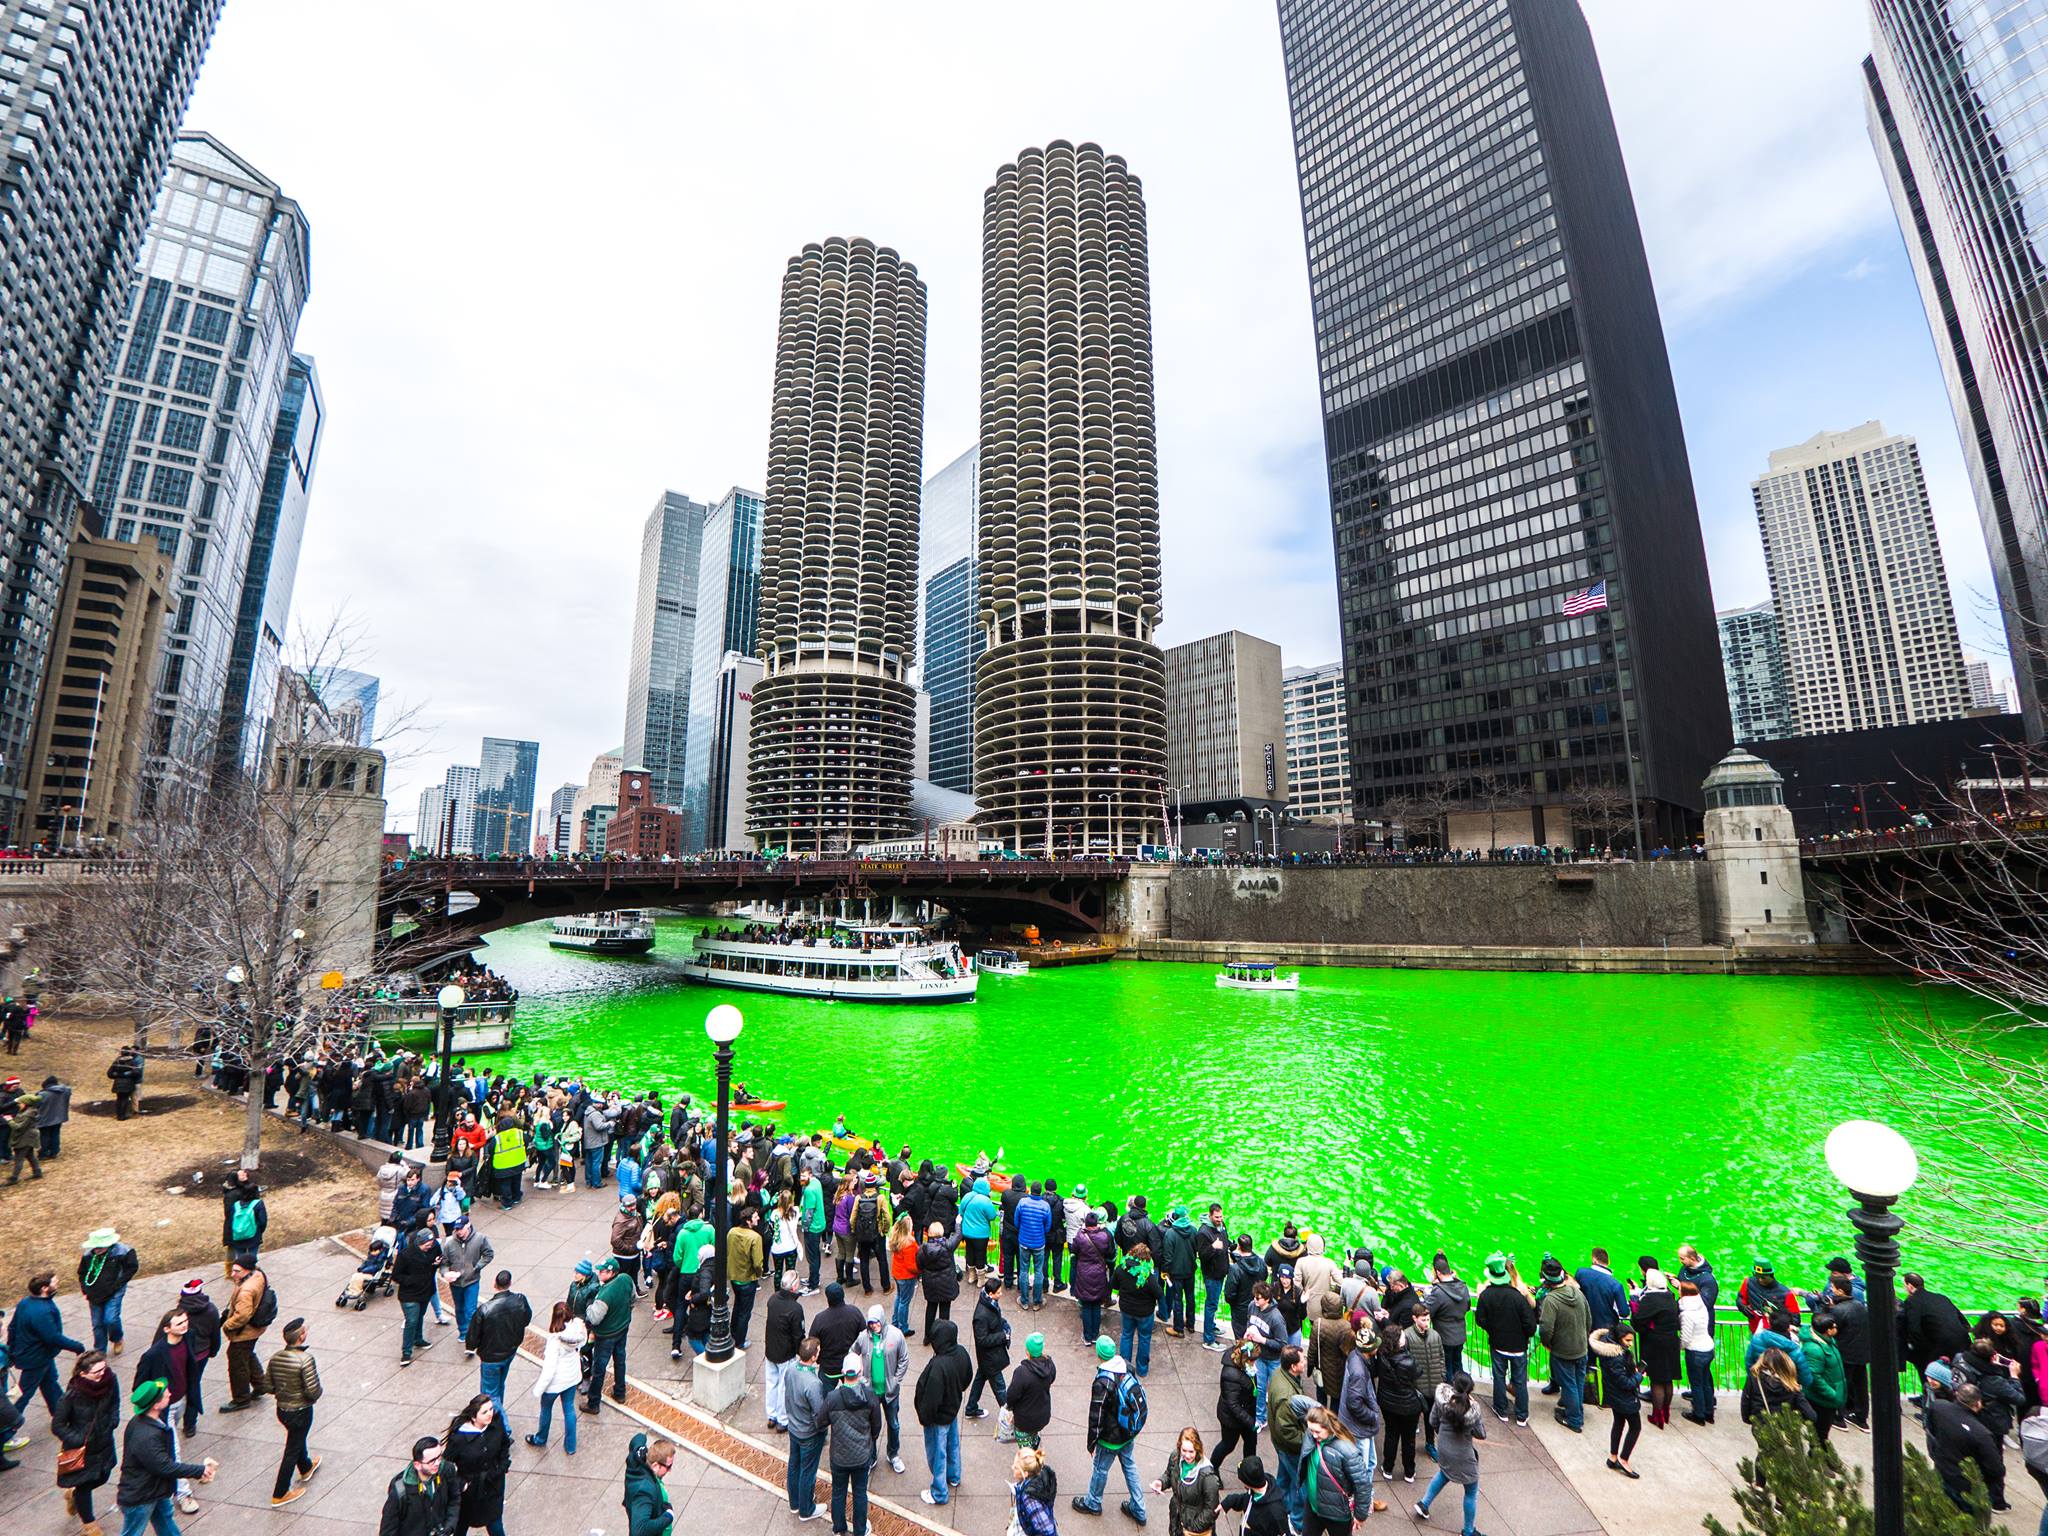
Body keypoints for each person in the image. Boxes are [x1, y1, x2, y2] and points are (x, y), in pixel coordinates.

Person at [118, 1378, 216, 1536]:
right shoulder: (146, 1436)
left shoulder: (144, 1422)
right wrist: (199, 1470)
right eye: (165, 1395)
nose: (170, 1394)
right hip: (142, 1496)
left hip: (155, 1490)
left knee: (167, 1525)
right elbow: (164, 1466)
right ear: (155, 1405)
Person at [1073, 1340, 1147, 1523]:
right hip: (1127, 1433)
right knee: (1130, 1467)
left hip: (1110, 1438)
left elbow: (1096, 1415)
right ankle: (1139, 1508)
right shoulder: (1127, 1367)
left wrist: (1091, 1442)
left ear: (1099, 1355)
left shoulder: (1103, 1381)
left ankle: (1093, 1502)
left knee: (1100, 1469)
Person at [54, 1350, 120, 1533]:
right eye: (97, 1372)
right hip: (82, 1449)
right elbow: (58, 1426)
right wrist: (79, 1439)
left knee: (104, 1475)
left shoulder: (110, 1380)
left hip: (104, 1441)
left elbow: (115, 1402)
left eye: (104, 1369)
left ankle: (73, 1495)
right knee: (84, 1486)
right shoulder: (72, 1395)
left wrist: (113, 1421)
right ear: (82, 1374)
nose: (102, 1374)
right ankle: (89, 1524)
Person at [1413, 1374, 1484, 1536]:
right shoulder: (1472, 1411)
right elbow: (1481, 1434)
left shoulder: (1442, 1401)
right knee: (1471, 1490)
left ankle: (1424, 1503)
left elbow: (1432, 1421)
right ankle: (1468, 1531)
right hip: (1464, 1455)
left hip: (1443, 1448)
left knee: (1444, 1473)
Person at [262, 1318, 322, 1507]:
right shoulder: (305, 1359)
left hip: (283, 1409)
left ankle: (305, 1467)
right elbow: (313, 1390)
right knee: (292, 1448)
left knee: (296, 1438)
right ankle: (280, 1493)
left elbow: (268, 1386)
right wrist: (314, 1396)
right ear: (301, 1336)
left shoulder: (276, 1357)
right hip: (301, 1410)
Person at [914, 1316, 973, 1505]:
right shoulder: (962, 1352)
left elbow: (930, 1399)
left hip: (937, 1418)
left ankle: (939, 1492)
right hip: (952, 1410)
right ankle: (954, 1476)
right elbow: (967, 1377)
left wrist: (925, 1418)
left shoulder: (939, 1366)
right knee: (953, 1445)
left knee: (938, 1454)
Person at [1925, 1383, 2009, 1515]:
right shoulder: (1981, 1434)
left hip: (1940, 1473)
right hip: (1966, 1490)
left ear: (1956, 1395)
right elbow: (1996, 1469)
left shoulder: (1938, 1407)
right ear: (1978, 1403)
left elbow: (1930, 1429)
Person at [12, 1270, 85, 1419]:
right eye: (54, 1282)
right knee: (24, 1393)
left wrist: (12, 1349)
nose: (57, 1284)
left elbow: (12, 1327)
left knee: (50, 1383)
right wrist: (77, 1347)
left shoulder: (25, 1302)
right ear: (44, 1288)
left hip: (38, 1355)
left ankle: (62, 1415)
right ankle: (7, 1427)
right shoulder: (42, 1311)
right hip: (36, 1358)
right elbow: (52, 1337)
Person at [1472, 1254, 1535, 1426]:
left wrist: (1493, 1329)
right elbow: (1530, 1324)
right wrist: (1523, 1336)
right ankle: (1522, 1415)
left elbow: (1480, 1320)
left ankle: (1501, 1410)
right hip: (1519, 1346)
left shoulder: (1486, 1296)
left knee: (1499, 1377)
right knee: (1520, 1381)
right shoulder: (1517, 1297)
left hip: (1498, 1344)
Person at [1738, 1348, 1815, 1485]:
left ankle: (1760, 1488)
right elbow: (1811, 1416)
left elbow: (1745, 1402)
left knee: (1763, 1454)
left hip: (1760, 1425)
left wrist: (1749, 1420)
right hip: (1785, 1429)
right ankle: (1781, 1500)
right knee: (1785, 1462)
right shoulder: (1792, 1386)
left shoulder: (1754, 1379)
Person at [849, 1304, 910, 1474]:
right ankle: (872, 1457)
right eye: (871, 1323)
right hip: (870, 1393)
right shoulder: (863, 1338)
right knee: (870, 1426)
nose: (874, 1326)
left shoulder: (896, 1336)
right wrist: (861, 1379)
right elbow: (852, 1353)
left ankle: (893, 1454)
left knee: (894, 1425)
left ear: (882, 1320)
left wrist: (896, 1380)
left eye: (876, 1322)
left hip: (890, 1392)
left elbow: (904, 1359)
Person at [466, 1270, 530, 1428]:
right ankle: (495, 1415)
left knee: (490, 1393)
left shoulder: (485, 1309)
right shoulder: (520, 1300)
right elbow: (526, 1319)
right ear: (510, 1283)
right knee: (499, 1385)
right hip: (510, 1350)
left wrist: (471, 1347)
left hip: (491, 1356)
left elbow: (473, 1335)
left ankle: (504, 1428)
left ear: (495, 1284)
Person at [824, 1366, 883, 1536]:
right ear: (859, 1373)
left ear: (843, 1373)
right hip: (861, 1456)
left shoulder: (832, 1398)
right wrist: (870, 1440)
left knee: (838, 1492)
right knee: (859, 1493)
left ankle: (839, 1528)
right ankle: (859, 1530)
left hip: (839, 1456)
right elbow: (876, 1426)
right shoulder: (870, 1396)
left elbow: (821, 1420)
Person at [444, 1393, 511, 1536]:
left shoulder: (496, 1425)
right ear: (474, 1417)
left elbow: (504, 1444)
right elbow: (446, 1465)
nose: (490, 1414)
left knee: (495, 1525)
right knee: (461, 1525)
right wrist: (461, 1483)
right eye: (484, 1412)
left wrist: (502, 1466)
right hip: (469, 1492)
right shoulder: (459, 1438)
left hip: (493, 1485)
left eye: (491, 1409)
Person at [1536, 1256, 1589, 1434]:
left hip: (1563, 1351)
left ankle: (1574, 1419)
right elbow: (1589, 1320)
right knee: (1578, 1382)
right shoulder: (1578, 1293)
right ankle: (1576, 1411)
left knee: (1569, 1385)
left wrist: (1548, 1344)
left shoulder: (1551, 1300)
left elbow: (1545, 1329)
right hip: (1581, 1347)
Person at [523, 1301, 584, 1456]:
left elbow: (549, 1369)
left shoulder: (555, 1340)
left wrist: (539, 1389)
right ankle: (571, 1446)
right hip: (571, 1378)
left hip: (555, 1383)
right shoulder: (577, 1329)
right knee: (569, 1409)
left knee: (546, 1409)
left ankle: (541, 1438)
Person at [1299, 1406, 1370, 1536]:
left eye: (1318, 1432)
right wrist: (1319, 1411)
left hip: (1337, 1514)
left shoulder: (1347, 1451)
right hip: (1314, 1507)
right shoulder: (1312, 1436)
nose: (1314, 1435)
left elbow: (1362, 1484)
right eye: (1311, 1430)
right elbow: (1296, 1402)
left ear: (1328, 1427)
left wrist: (1360, 1515)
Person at [1900, 1273, 1971, 1396]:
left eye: (1904, 1285)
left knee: (1927, 1370)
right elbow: (1964, 1323)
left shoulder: (1912, 1301)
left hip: (1938, 1346)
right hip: (1962, 1343)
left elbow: (1914, 1329)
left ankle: (1929, 1400)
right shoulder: (1941, 1297)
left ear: (1910, 1286)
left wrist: (1922, 1349)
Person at [1589, 1321, 1644, 1479]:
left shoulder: (1607, 1351)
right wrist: (1639, 1376)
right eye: (1627, 1340)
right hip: (1625, 1397)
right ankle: (1623, 1459)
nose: (1630, 1344)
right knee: (1635, 1427)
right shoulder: (1617, 1357)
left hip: (1613, 1395)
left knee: (1618, 1423)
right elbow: (1626, 1383)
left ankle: (1613, 1456)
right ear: (1619, 1338)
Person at [783, 1338, 828, 1521]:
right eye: (818, 1351)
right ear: (813, 1357)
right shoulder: (813, 1383)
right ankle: (806, 1509)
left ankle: (794, 1503)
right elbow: (819, 1412)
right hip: (809, 1433)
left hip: (794, 1427)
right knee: (807, 1471)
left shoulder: (792, 1369)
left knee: (794, 1465)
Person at [1631, 1268, 1682, 1429]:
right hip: (1671, 1341)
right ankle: (1665, 1412)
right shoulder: (1670, 1296)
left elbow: (1638, 1321)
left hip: (1655, 1343)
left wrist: (1634, 1299)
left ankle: (1657, 1415)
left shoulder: (1650, 1299)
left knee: (1657, 1380)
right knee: (1667, 1379)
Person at [217, 1259, 270, 1412]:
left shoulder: (246, 1290)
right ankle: (260, 1385)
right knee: (247, 1354)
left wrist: (227, 1324)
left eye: (237, 1271)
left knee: (237, 1363)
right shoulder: (258, 1275)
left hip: (245, 1333)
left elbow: (242, 1316)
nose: (233, 1274)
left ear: (247, 1270)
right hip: (255, 1329)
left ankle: (241, 1399)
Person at [584, 1256, 634, 1412]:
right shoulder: (626, 1279)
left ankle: (593, 1403)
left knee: (599, 1369)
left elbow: (594, 1318)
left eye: (602, 1271)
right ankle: (620, 1392)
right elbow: (632, 1299)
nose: (599, 1273)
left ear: (611, 1273)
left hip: (606, 1335)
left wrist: (589, 1306)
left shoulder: (605, 1294)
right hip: (622, 1327)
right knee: (620, 1360)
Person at [1153, 1425, 1222, 1536]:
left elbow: (1212, 1509)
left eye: (1191, 1451)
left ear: (1198, 1449)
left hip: (1195, 1530)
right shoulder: (1175, 1457)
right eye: (1184, 1450)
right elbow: (1169, 1474)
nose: (1187, 1455)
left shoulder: (1207, 1476)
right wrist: (1161, 1482)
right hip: (1177, 1521)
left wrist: (1192, 1528)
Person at [379, 1435, 455, 1536]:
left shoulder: (446, 1470)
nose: (437, 1463)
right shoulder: (400, 1491)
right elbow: (388, 1530)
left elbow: (454, 1499)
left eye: (439, 1457)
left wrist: (449, 1525)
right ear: (417, 1465)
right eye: (432, 1461)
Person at [172, 1280, 218, 1439]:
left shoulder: (179, 1312)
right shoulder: (211, 1309)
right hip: (201, 1355)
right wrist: (213, 1350)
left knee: (179, 1384)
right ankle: (190, 1424)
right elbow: (215, 1334)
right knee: (193, 1385)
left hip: (183, 1354)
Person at [764, 1271, 807, 1435]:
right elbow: (798, 1335)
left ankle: (771, 1415)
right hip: (785, 1353)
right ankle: (782, 1419)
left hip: (771, 1349)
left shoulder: (772, 1300)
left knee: (771, 1383)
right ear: (794, 1286)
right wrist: (800, 1352)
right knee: (784, 1386)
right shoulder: (795, 1309)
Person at [441, 1217, 493, 1344]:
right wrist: (445, 1273)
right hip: (456, 1283)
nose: (459, 1232)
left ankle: (472, 1336)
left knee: (470, 1310)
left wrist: (477, 1267)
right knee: (459, 1309)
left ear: (468, 1225)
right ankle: (463, 1332)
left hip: (472, 1281)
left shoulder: (480, 1239)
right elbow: (444, 1263)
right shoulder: (449, 1244)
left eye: (461, 1229)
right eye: (456, 1229)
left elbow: (489, 1254)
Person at [1798, 1311, 1848, 1444]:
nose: (1837, 1328)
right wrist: (1832, 1394)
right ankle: (1817, 1458)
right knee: (1820, 1433)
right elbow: (1814, 1377)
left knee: (1822, 1432)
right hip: (1822, 1400)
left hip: (1830, 1395)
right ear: (1828, 1331)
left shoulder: (1828, 1341)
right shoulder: (1814, 1350)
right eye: (1834, 1327)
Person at [1115, 1244, 1164, 1378]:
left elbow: (1113, 1285)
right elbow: (1159, 1293)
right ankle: (1142, 1370)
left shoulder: (1121, 1268)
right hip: (1145, 1313)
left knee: (1126, 1335)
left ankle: (1124, 1367)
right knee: (1144, 1339)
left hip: (1126, 1309)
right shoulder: (1148, 1275)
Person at [395, 1229, 442, 1366]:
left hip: (426, 1290)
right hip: (409, 1294)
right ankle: (406, 1352)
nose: (430, 1246)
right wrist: (413, 1280)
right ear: (419, 1243)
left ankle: (418, 1339)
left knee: (420, 1315)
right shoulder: (406, 1255)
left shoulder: (434, 1248)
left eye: (431, 1243)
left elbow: (439, 1258)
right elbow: (396, 1275)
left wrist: (437, 1264)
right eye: (427, 1244)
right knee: (411, 1321)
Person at [969, 1277, 1013, 1421]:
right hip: (990, 1357)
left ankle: (971, 1408)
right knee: (1000, 1388)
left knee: (980, 1379)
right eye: (998, 1293)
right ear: (990, 1294)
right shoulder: (981, 1315)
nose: (1000, 1294)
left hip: (987, 1357)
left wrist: (1003, 1324)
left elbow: (995, 1320)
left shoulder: (990, 1304)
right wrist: (1003, 1336)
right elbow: (982, 1340)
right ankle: (1010, 1418)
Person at [1071, 1212, 1116, 1345]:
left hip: (1084, 1273)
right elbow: (1111, 1253)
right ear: (1097, 1223)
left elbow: (1073, 1250)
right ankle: (1095, 1335)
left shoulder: (1080, 1235)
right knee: (1096, 1305)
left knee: (1086, 1306)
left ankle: (1087, 1337)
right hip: (1099, 1273)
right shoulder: (1105, 1235)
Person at [1008, 1332, 1058, 1449]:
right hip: (1042, 1415)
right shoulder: (1050, 1365)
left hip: (1024, 1420)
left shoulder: (1022, 1372)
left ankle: (1032, 1461)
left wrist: (1009, 1407)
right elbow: (1052, 1379)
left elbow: (1011, 1396)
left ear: (1028, 1352)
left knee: (1026, 1453)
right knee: (1033, 1434)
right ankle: (1034, 1443)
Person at [1678, 1277, 1717, 1425]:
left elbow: (1686, 1337)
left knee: (1696, 1384)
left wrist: (1680, 1347)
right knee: (1706, 1381)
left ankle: (1699, 1414)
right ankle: (1709, 1412)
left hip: (1695, 1351)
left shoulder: (1687, 1313)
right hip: (1708, 1347)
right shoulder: (1701, 1307)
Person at [622, 1432, 676, 1536]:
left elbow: (639, 1437)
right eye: (668, 1466)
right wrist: (668, 1516)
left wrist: (639, 1447)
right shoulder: (645, 1491)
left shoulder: (635, 1464)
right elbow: (639, 1530)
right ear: (655, 1466)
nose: (670, 1470)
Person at [1221, 1455, 1287, 1536]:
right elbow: (1247, 1500)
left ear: (1248, 1483)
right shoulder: (1255, 1489)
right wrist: (1230, 1501)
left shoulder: (1276, 1512)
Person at [917, 1224, 960, 1345]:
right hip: (946, 1283)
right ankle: (943, 1338)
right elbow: (958, 1236)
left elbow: (919, 1266)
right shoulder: (948, 1247)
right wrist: (957, 1224)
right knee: (944, 1310)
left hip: (930, 1284)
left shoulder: (922, 1249)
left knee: (931, 1308)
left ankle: (927, 1336)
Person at [1012, 1444, 1062, 1536]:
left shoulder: (1029, 1498)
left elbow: (1047, 1529)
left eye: (1016, 1468)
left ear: (1025, 1473)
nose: (1012, 1468)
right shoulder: (1039, 1478)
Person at [37, 1074, 71, 1159]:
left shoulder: (42, 1094)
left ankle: (44, 1153)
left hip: (45, 1119)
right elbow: (68, 1089)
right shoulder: (64, 1091)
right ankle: (54, 1152)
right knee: (55, 1134)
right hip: (58, 1118)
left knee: (44, 1136)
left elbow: (36, 1105)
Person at [106, 1050, 141, 1122]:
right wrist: (127, 1074)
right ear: (128, 1054)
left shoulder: (116, 1062)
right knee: (125, 1099)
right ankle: (123, 1116)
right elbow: (137, 1073)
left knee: (119, 1099)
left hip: (118, 1083)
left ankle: (119, 1115)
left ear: (121, 1054)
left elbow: (109, 1073)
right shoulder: (131, 1062)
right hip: (128, 1084)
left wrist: (117, 1076)